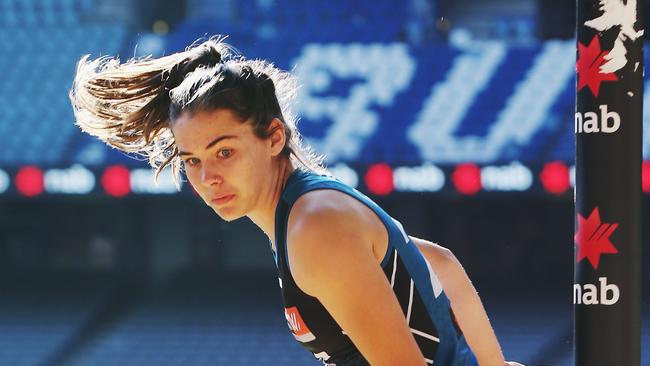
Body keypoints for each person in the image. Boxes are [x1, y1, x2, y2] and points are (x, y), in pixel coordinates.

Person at [70, 37, 524, 366]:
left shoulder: (313, 227)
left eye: (224, 152)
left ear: (273, 137)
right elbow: (435, 261)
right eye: (191, 160)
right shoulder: (305, 212)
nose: (207, 177)